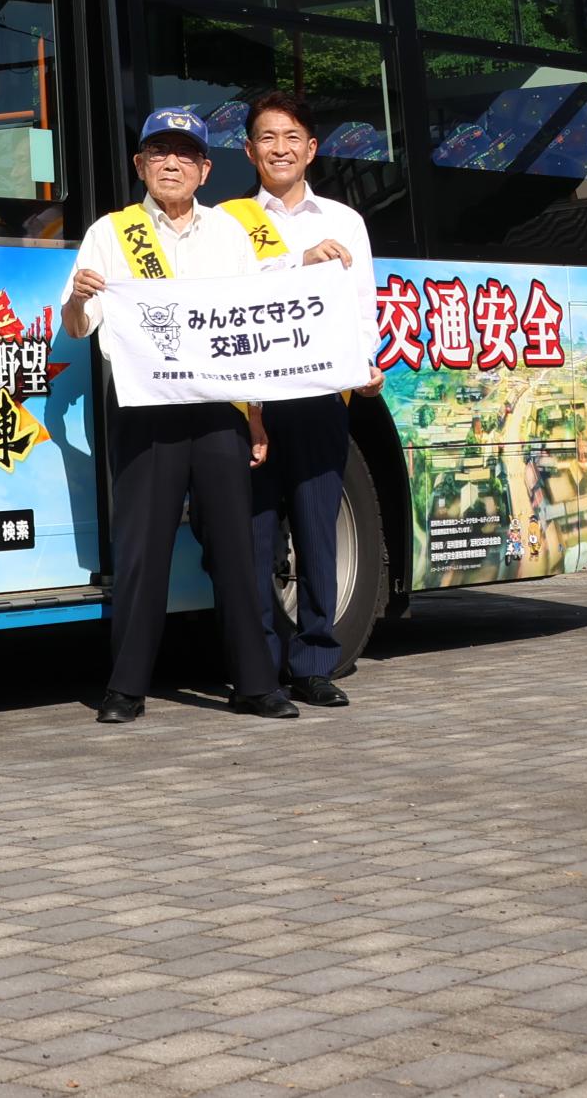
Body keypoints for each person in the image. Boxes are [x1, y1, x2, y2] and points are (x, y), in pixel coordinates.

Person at [63, 106, 295, 726]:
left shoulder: (228, 234)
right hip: (145, 411)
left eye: (184, 154)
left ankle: (254, 682)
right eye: (158, 153)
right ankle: (126, 687)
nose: (171, 164)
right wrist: (80, 299)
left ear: (205, 169)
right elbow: (77, 324)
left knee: (237, 547)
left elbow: (251, 329)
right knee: (143, 551)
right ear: (140, 165)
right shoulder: (111, 233)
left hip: (218, 411)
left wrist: (255, 417)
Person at [235, 89, 372, 709]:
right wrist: (299, 262)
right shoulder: (229, 221)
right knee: (254, 536)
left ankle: (316, 660)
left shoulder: (343, 221)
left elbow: (361, 305)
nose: (280, 149)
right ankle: (259, 665)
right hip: (252, 403)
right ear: (248, 150)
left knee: (318, 529)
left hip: (319, 395)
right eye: (267, 138)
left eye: (292, 137)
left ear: (312, 149)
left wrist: (365, 364)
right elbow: (228, 298)